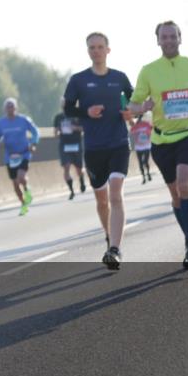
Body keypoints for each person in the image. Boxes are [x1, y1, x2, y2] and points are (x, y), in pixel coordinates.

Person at [127, 21, 188, 270]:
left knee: (185, 184)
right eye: (164, 37)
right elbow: (132, 105)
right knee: (175, 194)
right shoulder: (148, 71)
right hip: (162, 140)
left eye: (173, 36)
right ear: (158, 41)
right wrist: (142, 107)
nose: (169, 41)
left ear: (180, 38)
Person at [62, 32, 134, 270]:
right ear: (88, 51)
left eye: (100, 47)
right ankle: (109, 236)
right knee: (102, 201)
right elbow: (68, 109)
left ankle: (115, 249)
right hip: (93, 147)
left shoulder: (120, 78)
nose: (96, 51)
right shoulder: (78, 80)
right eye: (92, 47)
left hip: (118, 144)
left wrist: (131, 112)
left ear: (108, 50)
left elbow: (135, 103)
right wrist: (86, 112)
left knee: (115, 195)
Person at [0, 98, 40, 215]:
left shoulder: (24, 120)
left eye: (12, 106)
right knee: (15, 185)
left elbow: (35, 132)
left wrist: (33, 144)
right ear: (5, 109)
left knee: (21, 177)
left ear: (16, 108)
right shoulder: (0, 123)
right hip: (10, 157)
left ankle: (27, 191)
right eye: (8, 107)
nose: (10, 109)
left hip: (24, 153)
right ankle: (23, 204)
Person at [53, 97, 86, 200]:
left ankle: (81, 180)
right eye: (63, 104)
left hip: (76, 143)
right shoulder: (58, 117)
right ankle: (71, 190)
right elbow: (55, 133)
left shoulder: (77, 115)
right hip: (64, 145)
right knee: (66, 167)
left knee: (79, 168)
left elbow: (85, 128)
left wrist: (75, 128)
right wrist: (59, 131)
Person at [130, 113, 154, 184]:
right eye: (137, 118)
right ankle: (143, 177)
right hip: (138, 147)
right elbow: (132, 135)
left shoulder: (146, 124)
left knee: (145, 161)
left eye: (139, 118)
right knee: (140, 163)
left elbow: (152, 129)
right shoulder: (134, 126)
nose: (138, 119)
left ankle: (148, 173)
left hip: (146, 146)